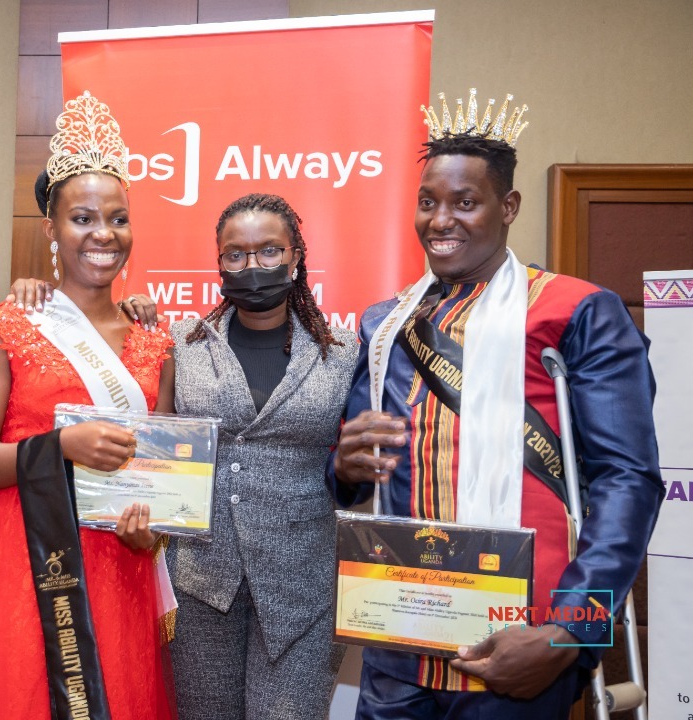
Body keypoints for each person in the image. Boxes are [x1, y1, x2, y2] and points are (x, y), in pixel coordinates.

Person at [329, 89, 664, 719]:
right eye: (427, 202)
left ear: (508, 207)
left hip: (523, 642)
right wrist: (343, 467)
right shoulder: (387, 322)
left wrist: (569, 634)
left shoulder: (576, 310)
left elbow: (629, 481)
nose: (440, 220)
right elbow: (349, 476)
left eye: (465, 202)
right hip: (399, 640)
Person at [0, 92, 175, 720]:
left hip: (120, 564)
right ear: (51, 228)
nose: (103, 234)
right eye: (82, 218)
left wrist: (153, 530)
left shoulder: (155, 340)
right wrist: (60, 447)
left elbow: (162, 471)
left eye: (118, 218)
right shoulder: (7, 327)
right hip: (27, 562)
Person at [164, 193, 356, 719]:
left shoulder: (343, 353)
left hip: (303, 581)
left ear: (296, 257)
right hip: (201, 577)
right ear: (219, 262)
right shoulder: (181, 343)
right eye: (236, 254)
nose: (253, 266)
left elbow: (355, 471)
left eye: (269, 251)